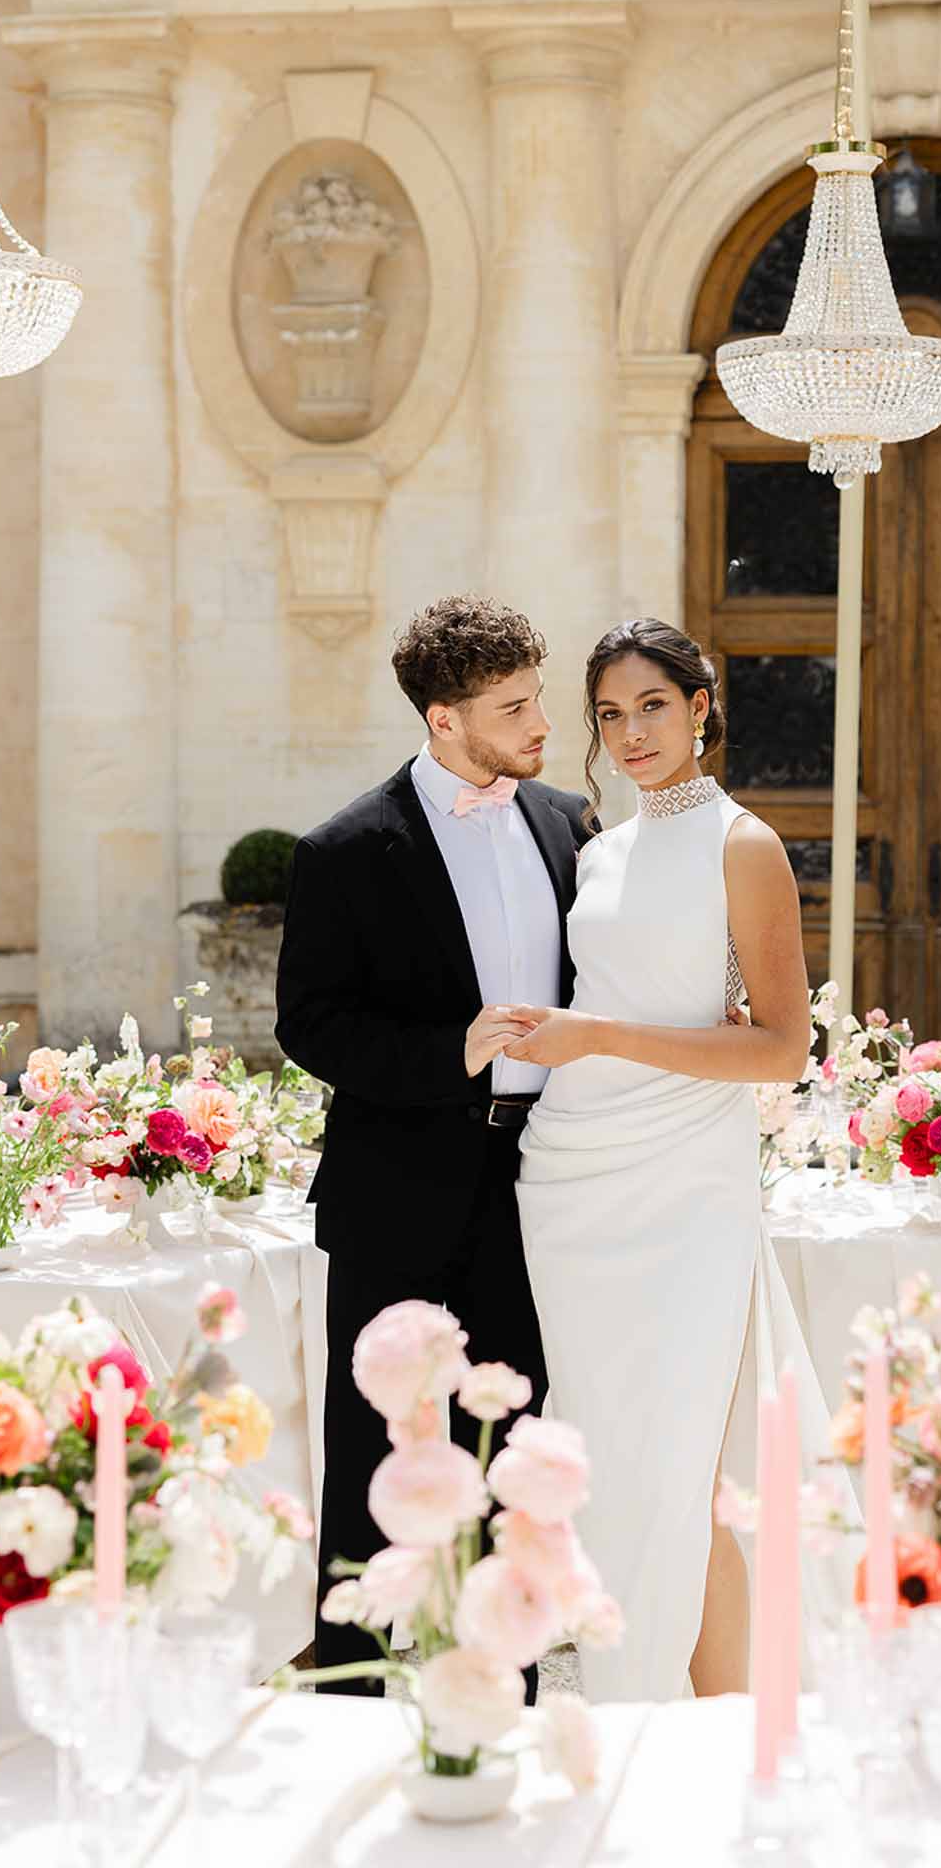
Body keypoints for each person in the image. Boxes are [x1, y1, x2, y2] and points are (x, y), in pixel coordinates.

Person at [506, 617, 855, 1703]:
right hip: (570, 1179)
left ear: (701, 707)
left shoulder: (741, 843)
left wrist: (599, 1036)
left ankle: (707, 1719)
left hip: (684, 1186)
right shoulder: (595, 847)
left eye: (651, 705)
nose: (630, 732)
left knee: (687, 1463)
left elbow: (783, 1045)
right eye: (609, 714)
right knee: (604, 1457)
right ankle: (629, 1694)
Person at [275, 595, 593, 1692]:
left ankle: (498, 1678)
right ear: (443, 719)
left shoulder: (567, 825)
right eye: (513, 706)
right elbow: (307, 1022)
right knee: (377, 1446)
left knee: (517, 1442)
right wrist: (443, 1052)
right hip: (394, 1186)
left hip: (539, 1183)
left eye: (537, 696)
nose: (540, 721)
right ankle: (349, 1683)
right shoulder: (342, 850)